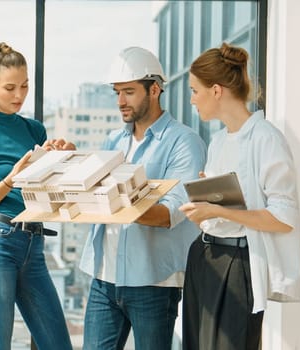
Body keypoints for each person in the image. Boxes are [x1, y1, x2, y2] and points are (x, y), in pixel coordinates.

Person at [79, 46, 207, 350]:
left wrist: (114, 200)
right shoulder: (113, 140)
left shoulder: (184, 143)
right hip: (104, 279)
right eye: (117, 92)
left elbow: (170, 214)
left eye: (129, 92)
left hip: (153, 283)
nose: (121, 101)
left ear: (155, 89)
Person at [179, 42, 300, 350]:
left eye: (195, 91)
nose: (192, 99)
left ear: (216, 90)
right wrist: (210, 199)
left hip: (238, 264)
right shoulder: (219, 141)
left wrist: (218, 210)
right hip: (203, 258)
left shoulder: (267, 139)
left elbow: (284, 218)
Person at [0, 42, 73, 350]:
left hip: (33, 245)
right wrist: (11, 180)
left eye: (24, 86)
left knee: (59, 345)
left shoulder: (35, 130)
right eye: (10, 87)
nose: (19, 95)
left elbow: (48, 194)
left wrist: (65, 160)